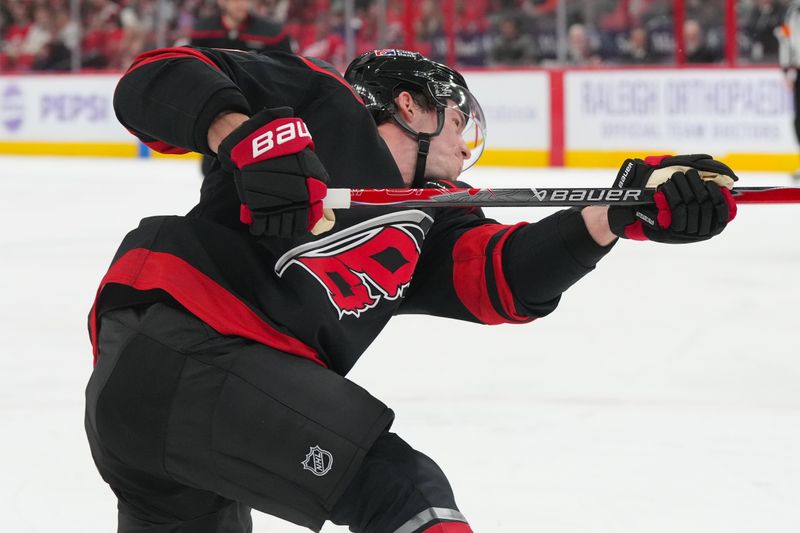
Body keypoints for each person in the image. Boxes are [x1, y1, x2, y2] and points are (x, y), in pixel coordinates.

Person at [85, 46, 738, 533]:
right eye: (456, 120)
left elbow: (500, 276)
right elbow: (151, 79)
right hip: (182, 340)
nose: (463, 143)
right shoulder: (322, 102)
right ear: (410, 104)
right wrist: (242, 134)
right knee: (404, 492)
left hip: (168, 424)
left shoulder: (431, 219)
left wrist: (615, 215)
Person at [190, 0, 293, 53]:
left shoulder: (272, 33)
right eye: (236, 0)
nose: (242, 5)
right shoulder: (202, 31)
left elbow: (285, 67)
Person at [777, 0, 800, 180]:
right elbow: (786, 39)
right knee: (798, 121)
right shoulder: (792, 11)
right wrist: (787, 69)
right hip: (798, 71)